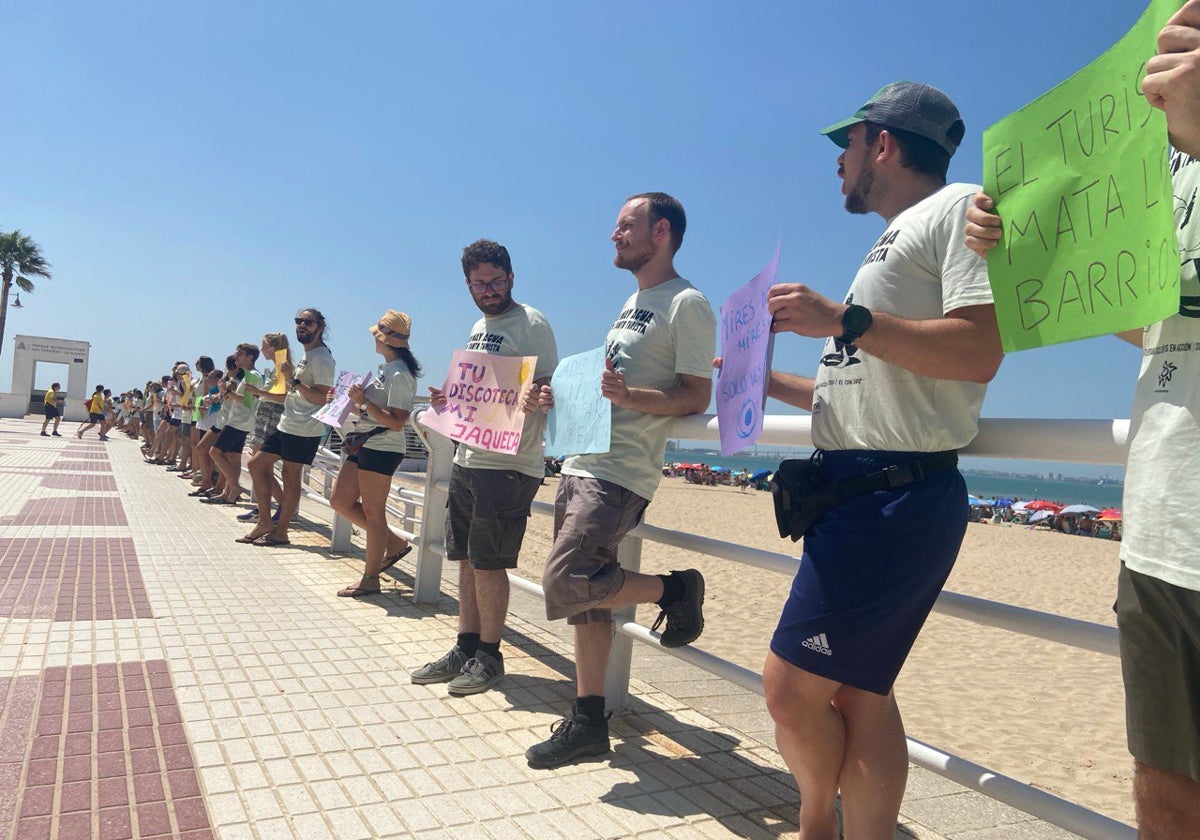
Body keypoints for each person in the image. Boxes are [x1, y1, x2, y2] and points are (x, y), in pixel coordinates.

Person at [965, 7, 1200, 832]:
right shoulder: (1165, 163)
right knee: (1165, 780)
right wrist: (1030, 250)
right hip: (1165, 524)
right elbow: (1158, 322)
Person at [759, 82, 1002, 839]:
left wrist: (844, 318)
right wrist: (760, 381)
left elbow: (978, 351)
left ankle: (814, 826)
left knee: (789, 692)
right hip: (863, 491)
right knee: (862, 694)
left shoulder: (958, 208)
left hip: (894, 498)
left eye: (848, 146)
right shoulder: (894, 241)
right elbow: (859, 386)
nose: (840, 164)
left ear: (884, 143)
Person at [523, 192, 715, 769]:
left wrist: (632, 397)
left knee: (568, 579)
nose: (614, 234)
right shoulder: (631, 303)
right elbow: (603, 388)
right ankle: (588, 719)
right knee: (587, 603)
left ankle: (675, 590)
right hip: (582, 461)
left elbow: (694, 394)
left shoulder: (688, 303)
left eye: (625, 225)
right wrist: (551, 398)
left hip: (620, 470)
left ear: (661, 231)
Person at [409, 240, 558, 696]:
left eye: (495, 281)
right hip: (469, 456)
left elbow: (551, 383)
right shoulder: (479, 324)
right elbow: (481, 391)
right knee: (466, 559)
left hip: (510, 463)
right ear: (468, 285)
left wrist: (541, 394)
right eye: (479, 283)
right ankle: (466, 645)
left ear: (512, 278)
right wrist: (447, 403)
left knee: (490, 562)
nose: (488, 290)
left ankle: (491, 656)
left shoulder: (531, 323)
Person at [331, 310, 421, 597]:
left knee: (373, 512)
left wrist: (364, 402)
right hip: (367, 442)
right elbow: (376, 412)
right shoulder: (389, 369)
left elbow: (396, 422)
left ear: (385, 340)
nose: (373, 340)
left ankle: (370, 578)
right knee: (340, 500)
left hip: (383, 446)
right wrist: (351, 402)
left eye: (376, 336)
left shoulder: (400, 374)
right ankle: (392, 543)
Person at [239, 309, 335, 547]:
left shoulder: (322, 358)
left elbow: (323, 397)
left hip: (304, 427)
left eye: (308, 322)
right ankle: (265, 522)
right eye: (299, 321)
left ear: (320, 327)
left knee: (291, 478)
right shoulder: (307, 354)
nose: (302, 325)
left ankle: (280, 531)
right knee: (256, 465)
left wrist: (294, 381)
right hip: (288, 422)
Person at [205, 344, 260, 505]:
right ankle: (227, 492)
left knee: (215, 452)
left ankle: (235, 487)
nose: (236, 357)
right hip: (238, 420)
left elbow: (249, 402)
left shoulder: (253, 376)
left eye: (240, 354)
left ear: (250, 357)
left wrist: (226, 391)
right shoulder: (248, 375)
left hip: (239, 421)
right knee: (234, 458)